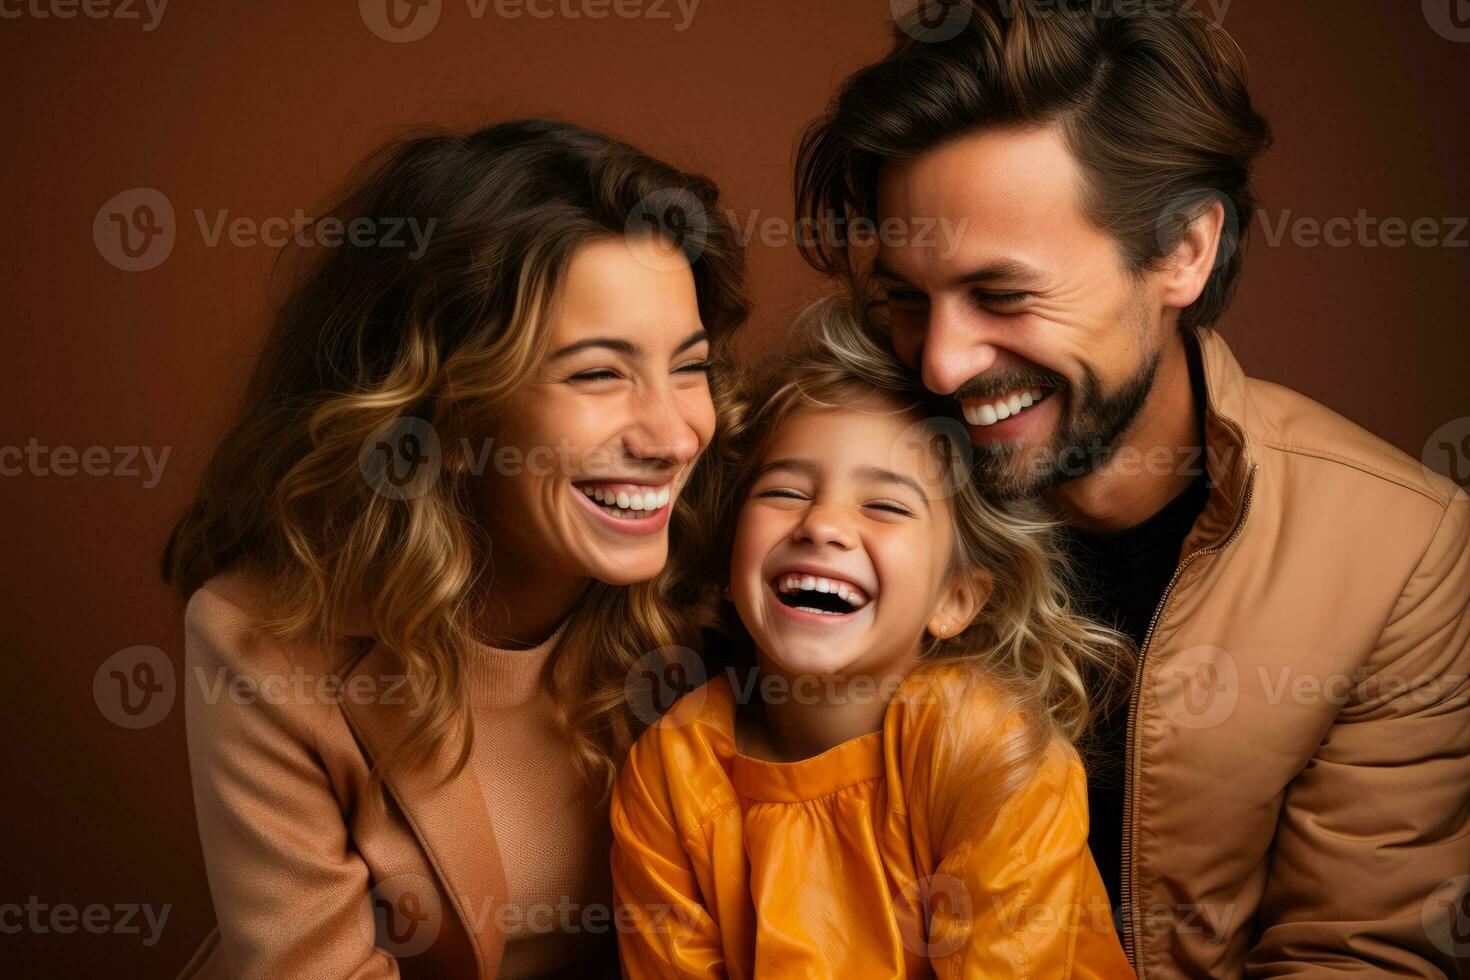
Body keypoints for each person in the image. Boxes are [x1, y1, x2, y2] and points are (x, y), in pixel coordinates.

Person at [793, 1, 1470, 975]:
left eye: (1003, 295)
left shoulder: (1398, 547)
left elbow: (1356, 955)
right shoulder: (830, 499)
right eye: (906, 297)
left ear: (1183, 251)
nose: (939, 363)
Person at [165, 117, 748, 978]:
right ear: (449, 410)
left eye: (690, 366)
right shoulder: (259, 642)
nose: (673, 434)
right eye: (598, 373)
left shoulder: (727, 578)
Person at [610, 296, 1136, 977]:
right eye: (785, 492)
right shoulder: (670, 774)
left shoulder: (986, 754)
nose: (822, 525)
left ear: (955, 598)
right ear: (731, 551)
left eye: (885, 505)